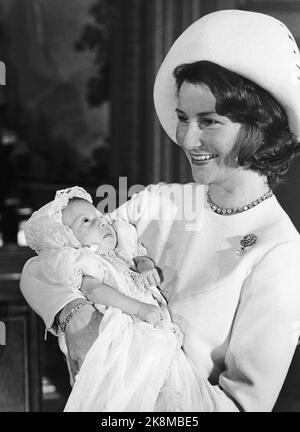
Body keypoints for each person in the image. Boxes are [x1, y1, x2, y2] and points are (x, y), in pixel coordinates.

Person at [21, 10, 300, 411]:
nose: (187, 138)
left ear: (260, 125)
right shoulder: (156, 203)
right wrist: (72, 314)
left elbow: (244, 408)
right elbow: (43, 266)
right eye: (183, 118)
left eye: (210, 121)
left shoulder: (281, 252)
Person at [23, 186, 201, 411]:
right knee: (124, 391)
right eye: (85, 221)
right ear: (67, 239)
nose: (101, 222)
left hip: (149, 328)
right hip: (120, 329)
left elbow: (137, 256)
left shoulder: (119, 250)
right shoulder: (84, 262)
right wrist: (139, 309)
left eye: (99, 216)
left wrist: (145, 265)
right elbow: (95, 291)